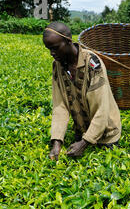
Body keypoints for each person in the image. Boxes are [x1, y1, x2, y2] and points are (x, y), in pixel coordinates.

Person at [43, 22, 122, 160]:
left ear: (68, 41)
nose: (52, 53)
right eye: (49, 49)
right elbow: (59, 106)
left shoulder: (92, 63)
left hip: (107, 133)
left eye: (55, 48)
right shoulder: (57, 66)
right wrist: (57, 142)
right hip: (82, 131)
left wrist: (85, 142)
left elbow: (101, 108)